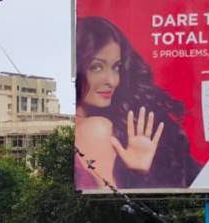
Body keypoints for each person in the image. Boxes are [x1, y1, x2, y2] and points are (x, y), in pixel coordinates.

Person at [74, 16, 200, 190]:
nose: (112, 81)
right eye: (96, 67)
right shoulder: (95, 128)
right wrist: (139, 173)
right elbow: (115, 207)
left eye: (116, 67)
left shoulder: (72, 128)